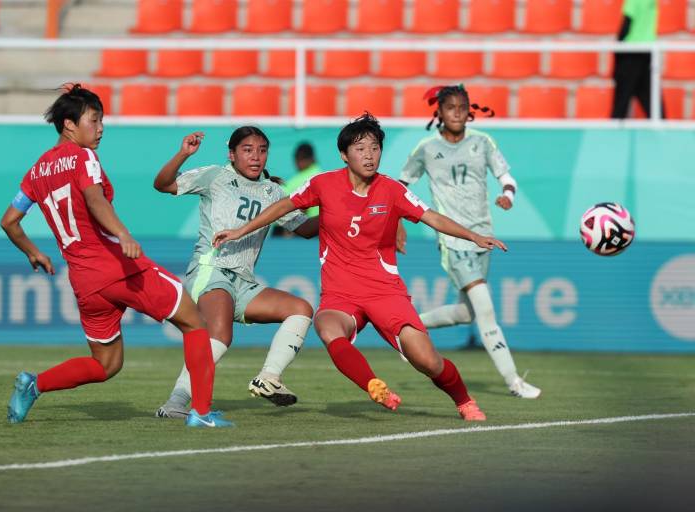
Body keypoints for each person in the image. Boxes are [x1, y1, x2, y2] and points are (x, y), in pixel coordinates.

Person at [213, 113, 507, 422]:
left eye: (375, 148)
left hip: (384, 292)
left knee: (427, 361)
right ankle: (373, 385)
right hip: (340, 294)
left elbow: (431, 216)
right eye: (360, 148)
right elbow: (284, 206)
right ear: (344, 154)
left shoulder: (391, 190)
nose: (369, 155)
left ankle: (464, 401)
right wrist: (240, 230)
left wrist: (473, 235)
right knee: (327, 326)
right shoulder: (323, 184)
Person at [0, 84, 232, 427]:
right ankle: (199, 412)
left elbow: (9, 221)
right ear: (69, 125)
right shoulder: (84, 157)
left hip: (84, 280)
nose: (101, 128)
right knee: (194, 320)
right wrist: (123, 235)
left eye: (101, 120)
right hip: (116, 266)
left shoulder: (36, 171)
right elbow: (94, 199)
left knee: (107, 364)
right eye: (94, 120)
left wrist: (33, 252)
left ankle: (35, 384)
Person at [152, 126, 318, 418]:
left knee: (301, 309)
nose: (256, 157)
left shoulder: (274, 191)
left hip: (244, 282)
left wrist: (342, 209)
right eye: (247, 150)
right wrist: (183, 154)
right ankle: (177, 402)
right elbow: (163, 185)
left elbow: (305, 229)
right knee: (220, 333)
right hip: (211, 269)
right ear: (232, 154)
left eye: (262, 150)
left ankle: (268, 378)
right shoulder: (216, 176)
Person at [398, 84, 541, 399]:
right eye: (451, 107)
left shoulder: (482, 142)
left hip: (483, 238)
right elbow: (400, 187)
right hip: (453, 242)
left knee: (466, 314)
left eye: (462, 107)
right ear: (439, 112)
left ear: (468, 110)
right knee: (486, 310)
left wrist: (507, 195)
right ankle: (514, 381)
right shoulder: (426, 149)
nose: (457, 113)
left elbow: (507, 177)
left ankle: (407, 329)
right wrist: (398, 224)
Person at [611, 0, 663, 118]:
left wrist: (616, 51)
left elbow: (626, 27)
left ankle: (613, 134)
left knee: (621, 104)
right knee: (653, 103)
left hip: (631, 54)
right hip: (647, 53)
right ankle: (662, 131)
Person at [272, 142, 322, 237]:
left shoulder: (304, 179)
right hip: (316, 229)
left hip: (297, 228)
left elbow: (301, 206)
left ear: (300, 159)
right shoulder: (321, 175)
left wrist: (289, 232)